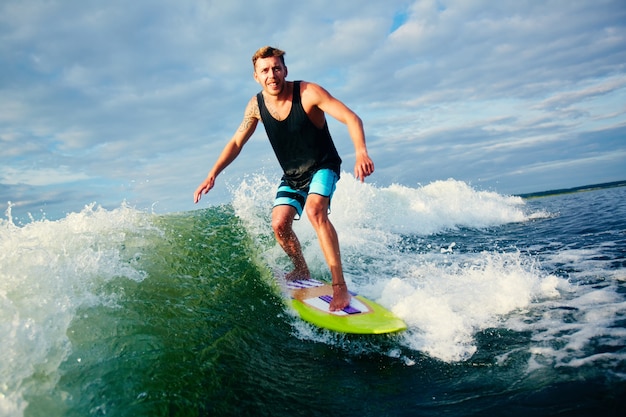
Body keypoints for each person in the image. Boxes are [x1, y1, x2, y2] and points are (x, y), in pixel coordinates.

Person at [194, 46, 374, 311]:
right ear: (256, 76)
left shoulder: (308, 93)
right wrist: (212, 175)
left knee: (315, 212)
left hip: (323, 166)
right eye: (265, 70)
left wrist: (361, 152)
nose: (272, 75)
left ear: (285, 70)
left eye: (276, 68)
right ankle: (301, 269)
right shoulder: (256, 105)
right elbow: (236, 142)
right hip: (292, 176)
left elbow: (351, 117)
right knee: (279, 224)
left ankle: (340, 287)